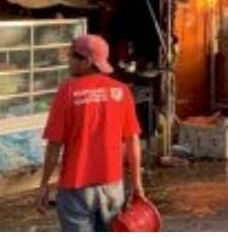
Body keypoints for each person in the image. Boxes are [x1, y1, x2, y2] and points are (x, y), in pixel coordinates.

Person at [37, 35, 147, 231]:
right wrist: (137, 183)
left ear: (86, 61)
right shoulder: (121, 91)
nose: (68, 62)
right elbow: (132, 139)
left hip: (76, 188)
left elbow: (54, 143)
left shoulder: (67, 91)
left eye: (71, 56)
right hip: (113, 186)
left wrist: (44, 184)